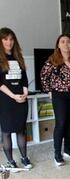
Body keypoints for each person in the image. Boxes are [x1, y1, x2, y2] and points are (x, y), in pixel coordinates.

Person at [41, 34, 70, 166]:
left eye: (68, 42)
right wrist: (49, 90)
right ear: (58, 45)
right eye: (63, 42)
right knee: (60, 123)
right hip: (58, 95)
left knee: (69, 123)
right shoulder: (52, 60)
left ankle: (67, 148)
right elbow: (44, 76)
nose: (66, 44)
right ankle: (57, 153)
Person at [0, 27, 32, 169]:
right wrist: (13, 96)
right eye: (5, 39)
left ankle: (24, 158)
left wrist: (25, 93)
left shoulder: (18, 57)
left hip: (21, 100)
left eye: (11, 39)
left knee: (21, 130)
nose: (9, 42)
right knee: (6, 131)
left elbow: (24, 79)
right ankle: (11, 161)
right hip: (6, 101)